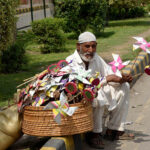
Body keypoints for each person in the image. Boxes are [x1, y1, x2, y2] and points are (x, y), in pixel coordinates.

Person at [66, 31, 134, 149]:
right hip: (81, 98)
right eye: (87, 46)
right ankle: (94, 134)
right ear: (78, 46)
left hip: (97, 91)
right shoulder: (70, 61)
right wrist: (106, 80)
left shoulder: (96, 58)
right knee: (97, 95)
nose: (91, 50)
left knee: (124, 87)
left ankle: (114, 129)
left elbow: (109, 73)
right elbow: (79, 85)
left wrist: (121, 79)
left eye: (93, 46)